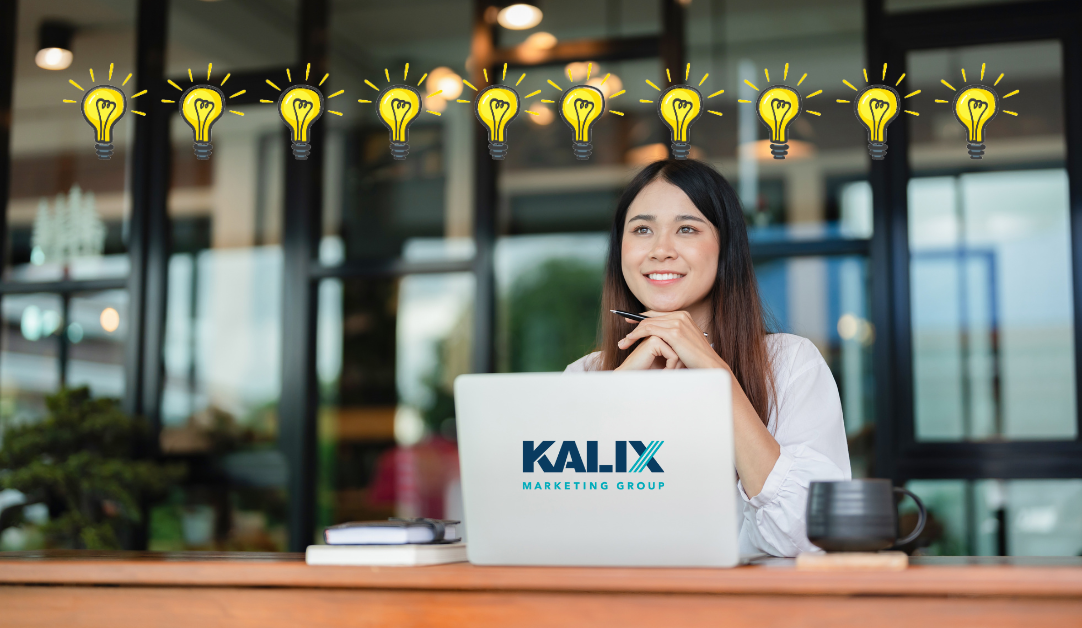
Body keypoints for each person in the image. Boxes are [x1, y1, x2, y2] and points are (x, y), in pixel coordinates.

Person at [565, 159, 851, 558]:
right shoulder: (586, 375)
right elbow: (565, 526)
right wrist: (620, 390)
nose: (661, 250)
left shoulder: (789, 363)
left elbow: (812, 535)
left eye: (687, 229)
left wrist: (716, 373)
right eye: (642, 229)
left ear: (725, 247)